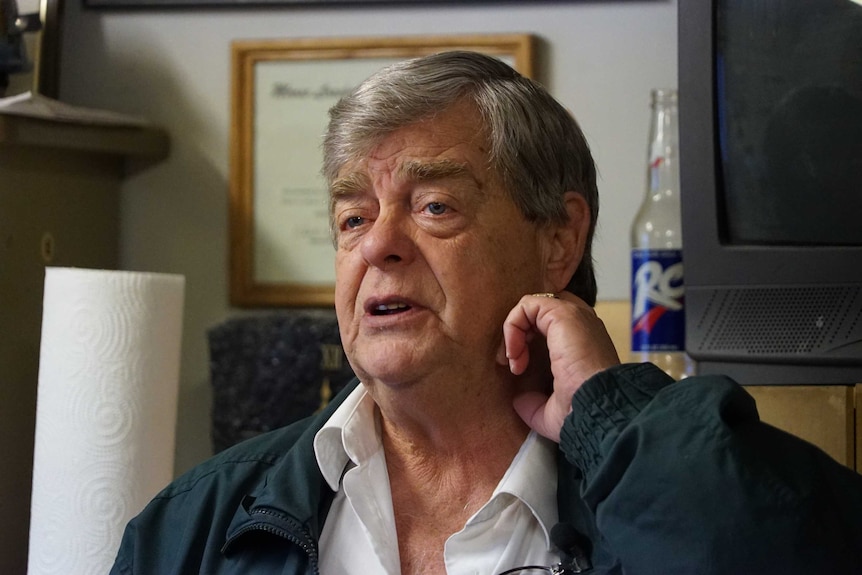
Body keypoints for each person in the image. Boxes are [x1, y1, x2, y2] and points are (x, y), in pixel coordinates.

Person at [110, 51, 862, 575]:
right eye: (351, 218)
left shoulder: (674, 479)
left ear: (558, 239)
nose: (378, 246)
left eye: (433, 206)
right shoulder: (195, 525)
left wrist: (611, 415)